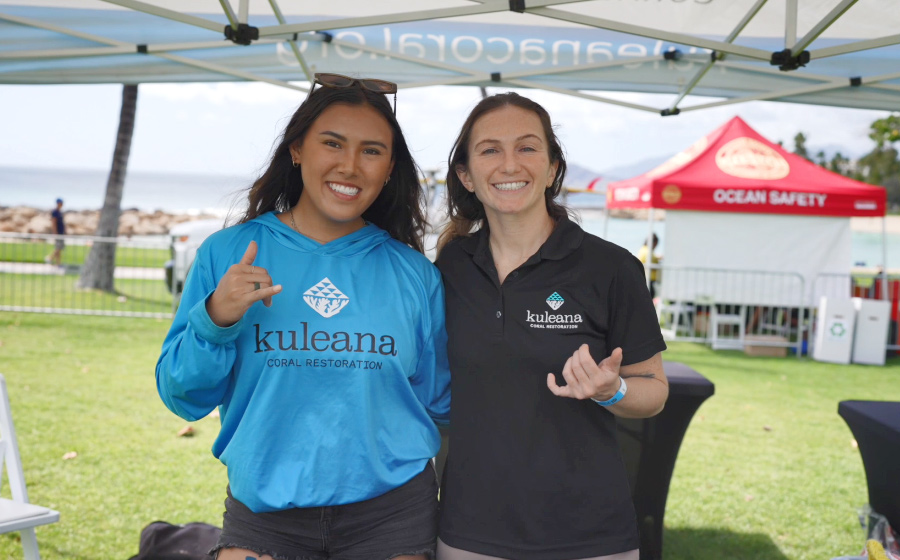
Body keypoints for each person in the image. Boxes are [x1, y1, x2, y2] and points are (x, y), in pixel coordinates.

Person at [156, 73, 450, 560]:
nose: (350, 166)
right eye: (332, 143)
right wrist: (215, 320)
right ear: (297, 149)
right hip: (265, 516)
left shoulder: (415, 274)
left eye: (371, 151)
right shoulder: (229, 254)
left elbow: (441, 400)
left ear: (390, 166)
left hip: (392, 516)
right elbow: (183, 396)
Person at [434, 92, 669, 560]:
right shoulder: (450, 266)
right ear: (466, 175)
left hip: (588, 533)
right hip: (469, 530)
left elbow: (655, 390)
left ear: (553, 168)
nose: (509, 164)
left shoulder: (611, 268)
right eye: (489, 150)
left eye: (526, 147)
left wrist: (612, 390)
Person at [637, 233, 661, 299]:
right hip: (648, 278)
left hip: (644, 278)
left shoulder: (643, 249)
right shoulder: (648, 252)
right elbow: (653, 261)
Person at [49, 198, 65, 266]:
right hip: (58, 233)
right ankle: (50, 258)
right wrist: (55, 233)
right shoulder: (55, 212)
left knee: (59, 248)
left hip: (61, 232)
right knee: (58, 247)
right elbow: (54, 223)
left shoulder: (60, 212)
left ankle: (58, 263)